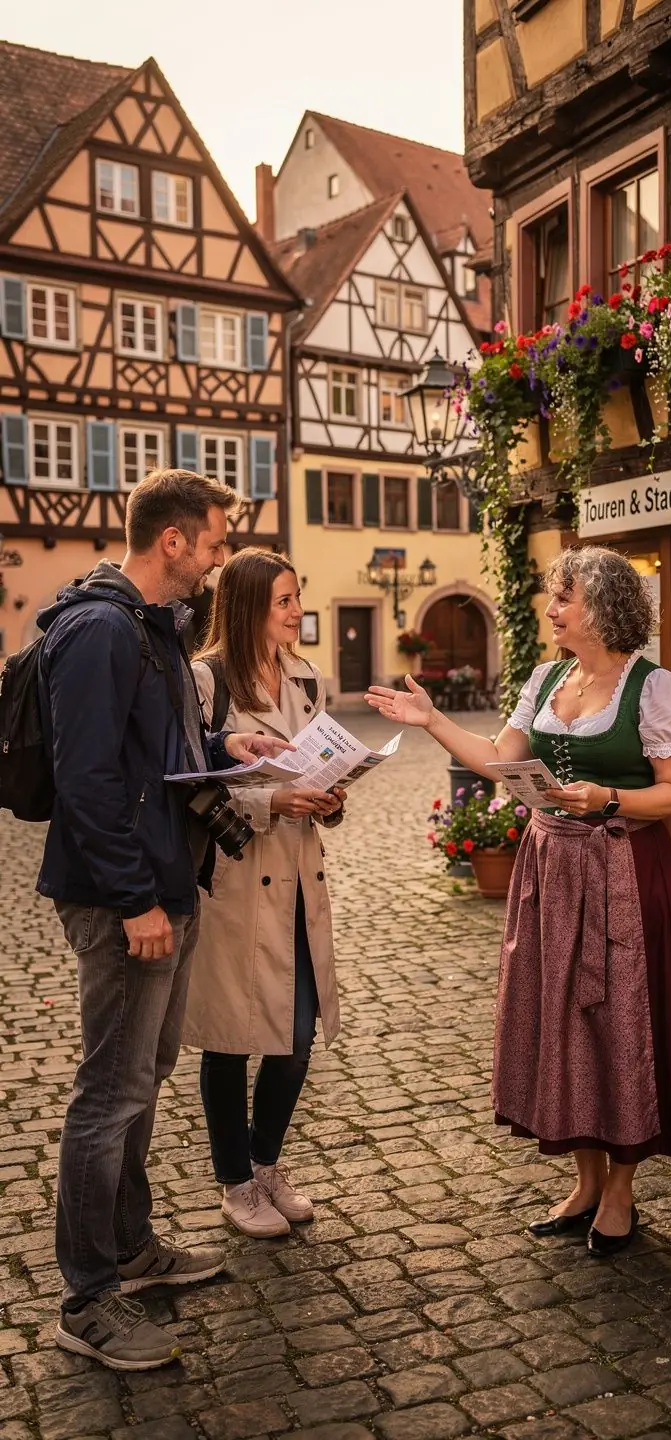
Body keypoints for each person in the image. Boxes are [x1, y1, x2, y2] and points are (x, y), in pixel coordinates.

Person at [366, 544, 671, 1258]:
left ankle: (621, 1190)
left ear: (603, 608)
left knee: (621, 1023)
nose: (551, 609)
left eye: (564, 598)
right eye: (553, 596)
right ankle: (586, 1183)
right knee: (563, 1021)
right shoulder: (546, 677)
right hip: (551, 870)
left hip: (624, 867)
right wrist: (430, 719)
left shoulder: (654, 690)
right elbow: (502, 762)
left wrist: (608, 796)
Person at [37, 470, 294, 1371]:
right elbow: (89, 782)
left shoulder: (155, 631)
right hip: (126, 899)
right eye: (217, 544)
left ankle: (132, 1250)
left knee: (140, 1082)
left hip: (170, 883)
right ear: (173, 540)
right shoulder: (100, 629)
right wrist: (137, 899)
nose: (222, 563)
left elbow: (164, 752)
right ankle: (86, 1299)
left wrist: (231, 745)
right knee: (107, 1096)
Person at [183, 548, 344, 1238]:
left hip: (299, 877)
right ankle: (235, 1183)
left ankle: (266, 1161)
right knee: (231, 1038)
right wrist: (274, 802)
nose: (297, 611)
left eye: (298, 597)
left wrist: (332, 797)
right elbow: (189, 785)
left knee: (296, 1035)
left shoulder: (304, 677)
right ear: (249, 606)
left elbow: (321, 759)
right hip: (236, 879)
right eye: (284, 600)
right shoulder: (204, 679)